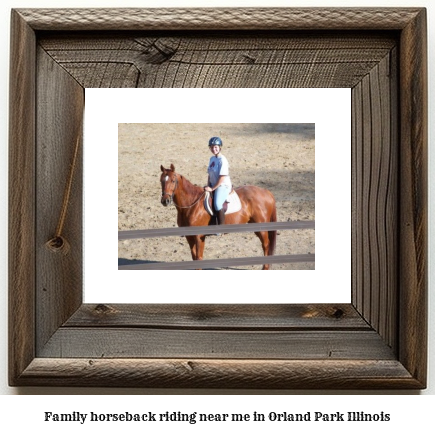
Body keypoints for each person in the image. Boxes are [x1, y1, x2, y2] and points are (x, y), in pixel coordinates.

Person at [204, 136, 232, 228]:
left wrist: (212, 188)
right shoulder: (212, 159)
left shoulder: (222, 160)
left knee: (217, 204)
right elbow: (209, 174)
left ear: (220, 147)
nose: (213, 149)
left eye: (215, 147)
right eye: (212, 147)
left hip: (222, 185)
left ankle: (221, 228)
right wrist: (208, 186)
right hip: (212, 184)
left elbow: (222, 177)